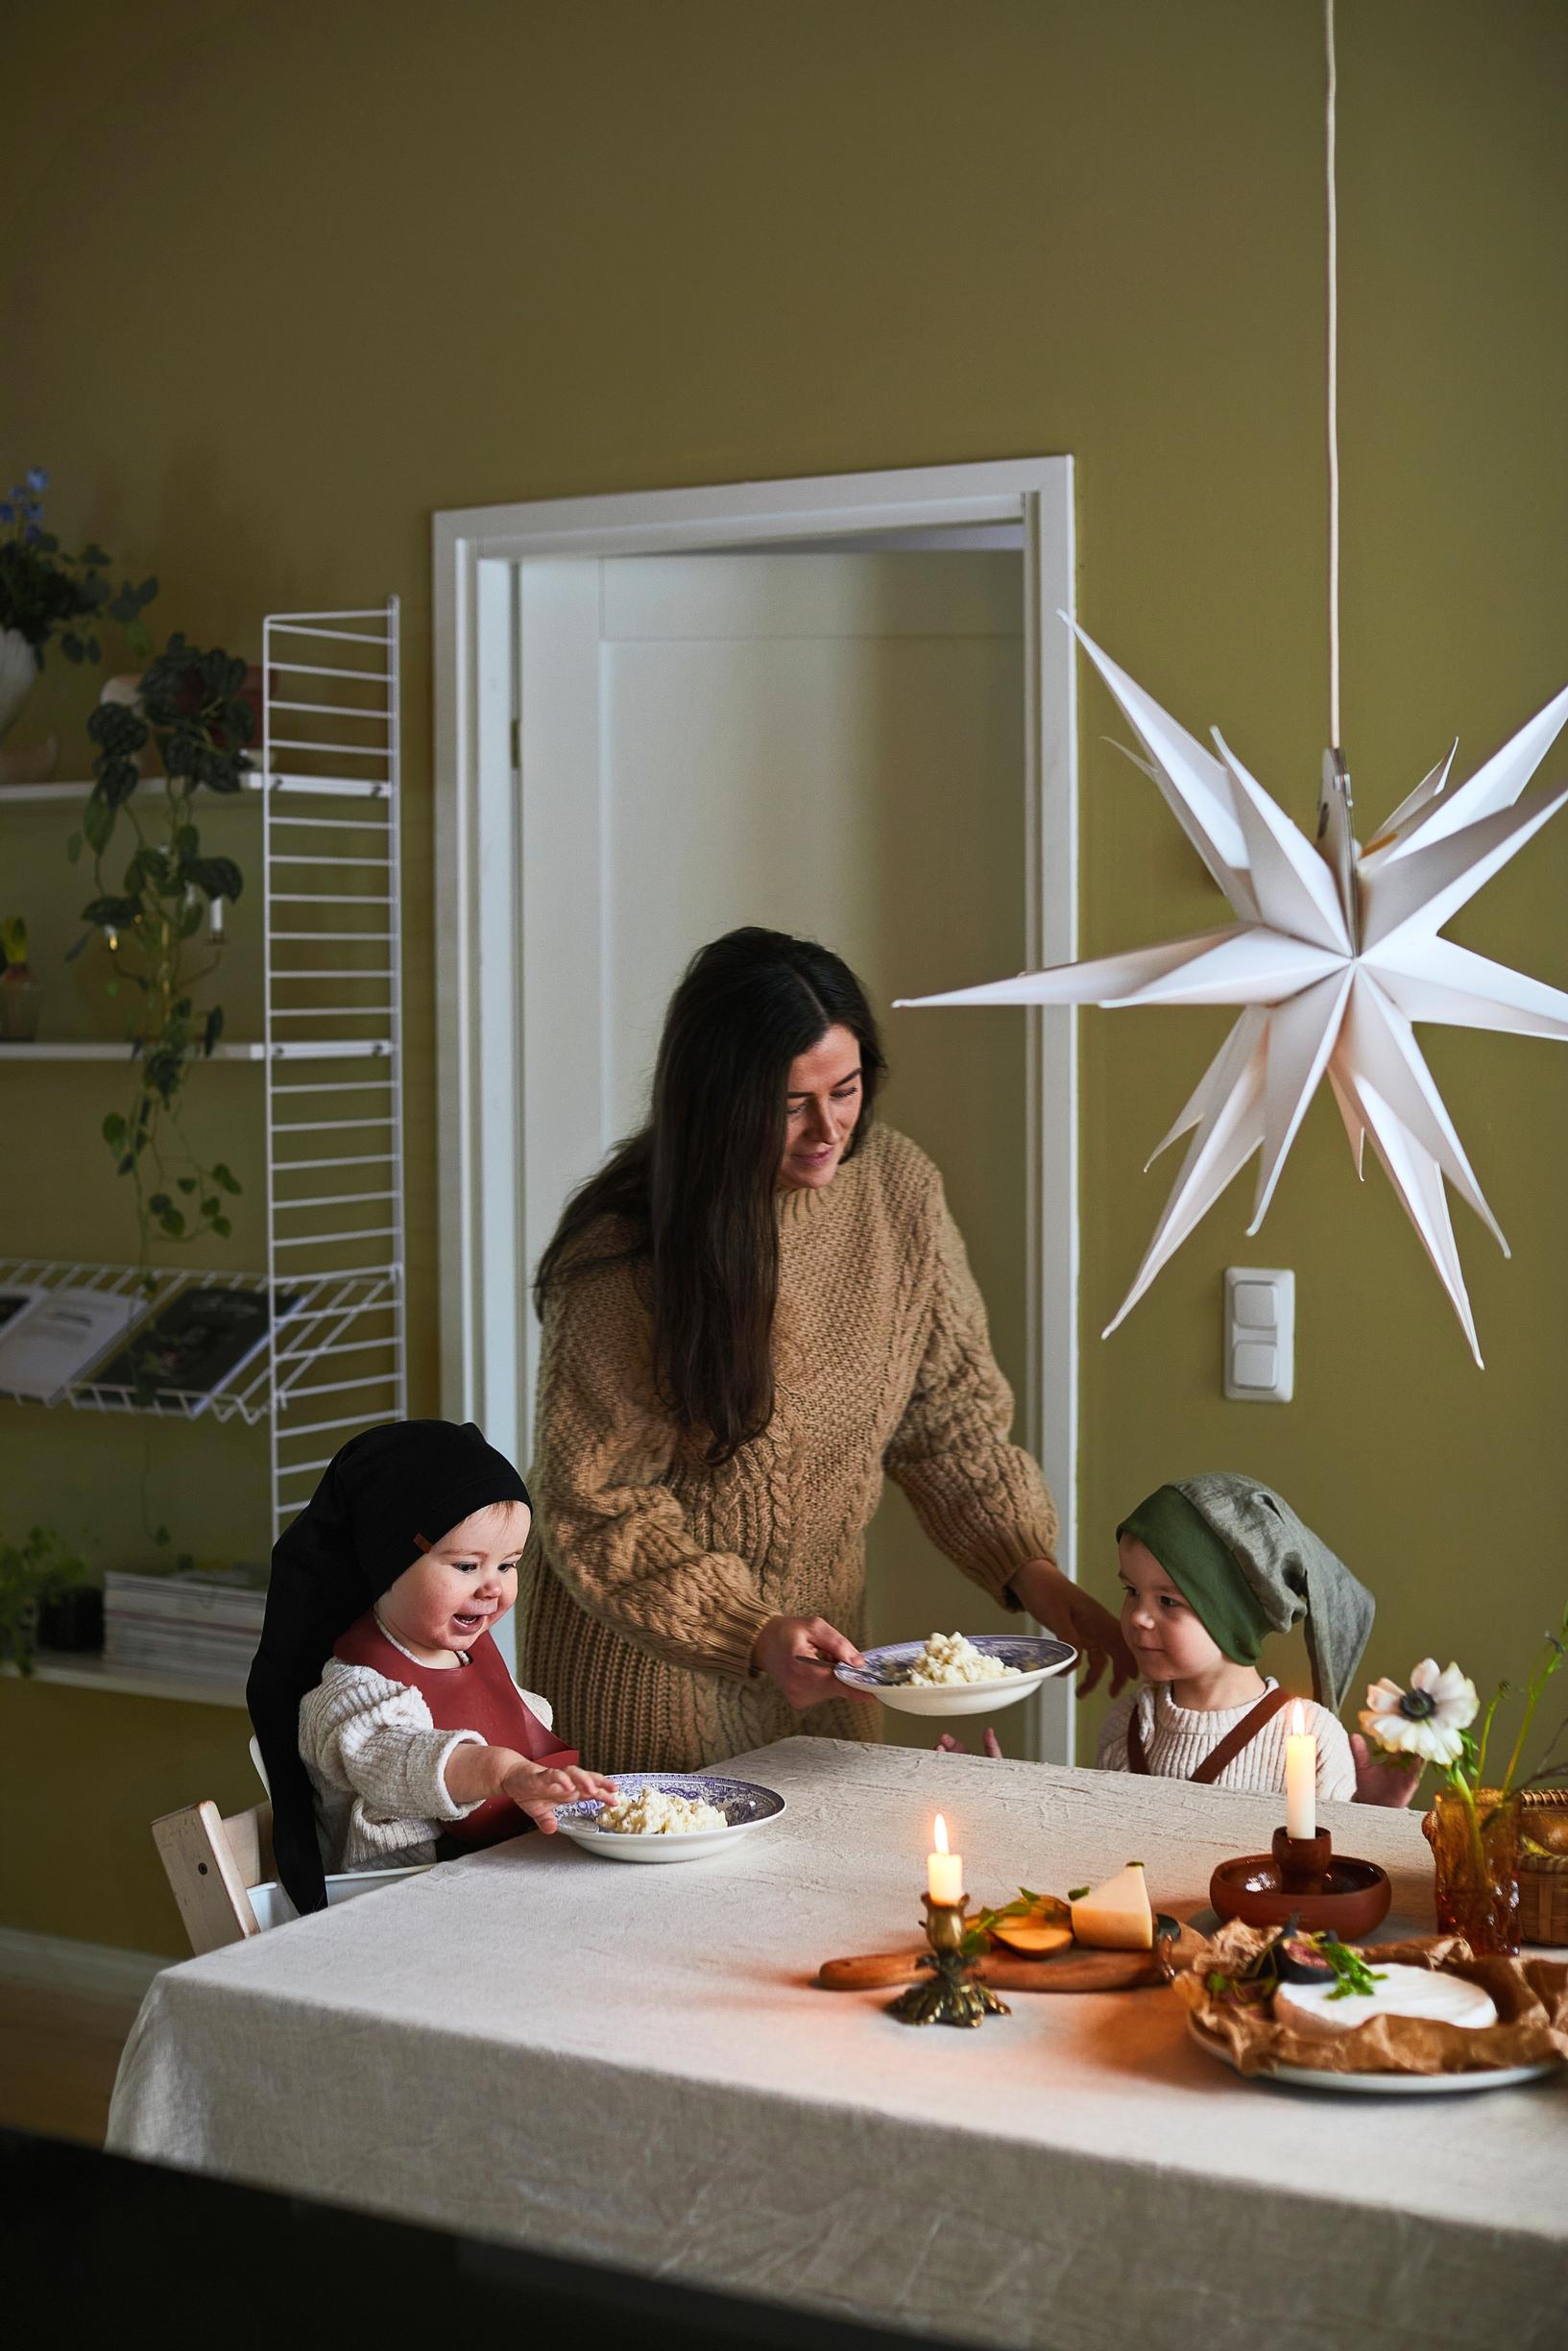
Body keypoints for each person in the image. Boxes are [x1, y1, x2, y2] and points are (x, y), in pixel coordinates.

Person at [523, 927, 1133, 1775]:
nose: (826, 1129)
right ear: (718, 1102)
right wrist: (747, 1631)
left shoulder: (896, 1190)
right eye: (788, 1104)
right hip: (649, 1679)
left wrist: (1032, 1573)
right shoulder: (622, 1257)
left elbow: (948, 1420)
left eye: (844, 1090)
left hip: (828, 1666)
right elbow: (596, 1503)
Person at [248, 1419, 615, 1916]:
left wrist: (548, 1783)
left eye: (508, 1565)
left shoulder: (470, 1656)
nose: (492, 1587)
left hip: (489, 1889)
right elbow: (399, 1759)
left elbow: (518, 1724)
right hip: (393, 1912)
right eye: (467, 1566)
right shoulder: (353, 1688)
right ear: (388, 1563)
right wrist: (501, 1771)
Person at [1096, 1472, 1416, 1805]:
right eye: (1132, 1591)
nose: (1137, 1616)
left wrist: (1376, 1813)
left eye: (1168, 1601)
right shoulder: (1125, 1725)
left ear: (1235, 1616)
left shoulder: (1311, 1738)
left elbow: (1335, 1851)